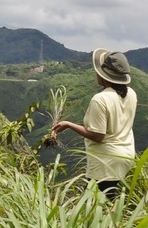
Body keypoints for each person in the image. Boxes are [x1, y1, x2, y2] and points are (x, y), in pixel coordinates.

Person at [51, 48, 137, 201]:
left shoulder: (100, 99)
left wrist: (69, 124)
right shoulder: (131, 93)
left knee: (95, 206)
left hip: (106, 160)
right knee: (111, 201)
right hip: (127, 155)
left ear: (105, 76)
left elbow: (98, 136)